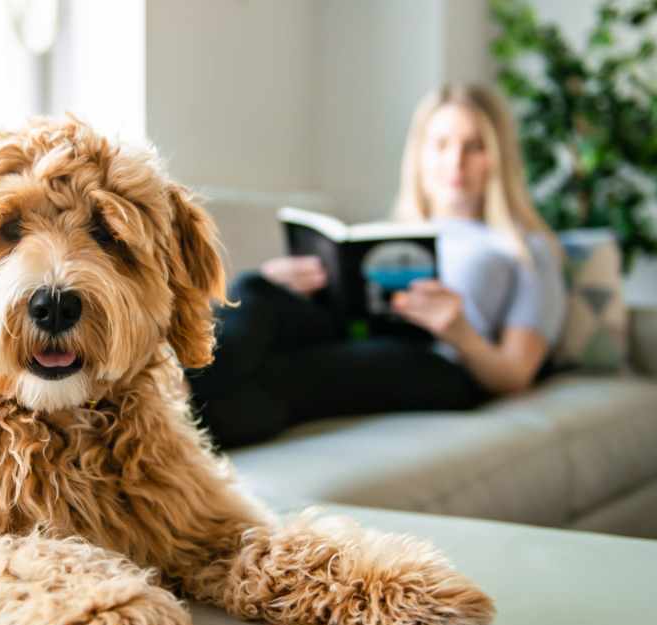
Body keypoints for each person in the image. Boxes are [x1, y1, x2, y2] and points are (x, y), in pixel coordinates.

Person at [187, 84, 566, 449]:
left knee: (292, 373)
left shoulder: (525, 248)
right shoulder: (395, 231)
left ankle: (166, 420)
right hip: (354, 332)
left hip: (440, 362)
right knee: (255, 290)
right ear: (419, 155)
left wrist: (459, 331)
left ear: (498, 159)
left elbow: (516, 374)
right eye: (441, 145)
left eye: (475, 147)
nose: (455, 162)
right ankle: (173, 394)